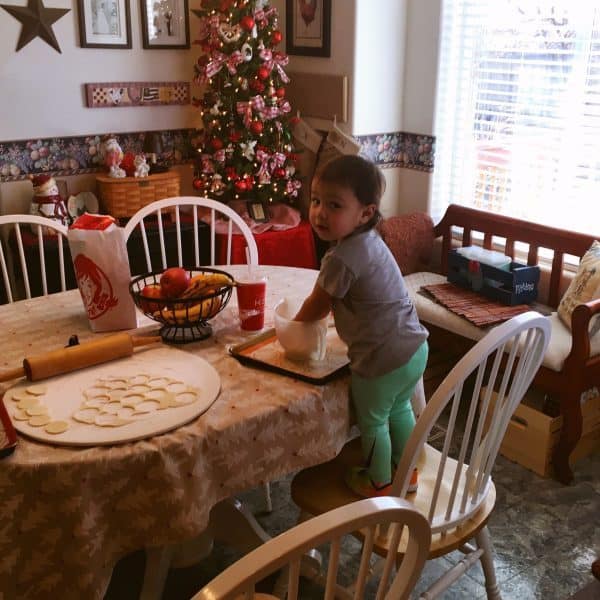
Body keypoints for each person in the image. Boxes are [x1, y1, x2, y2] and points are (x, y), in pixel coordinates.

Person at [294, 155, 429, 498]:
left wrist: (292, 329)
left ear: (366, 213)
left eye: (334, 205)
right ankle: (407, 472)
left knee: (373, 422)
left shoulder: (341, 258)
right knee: (398, 408)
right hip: (414, 347)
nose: (320, 212)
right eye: (316, 200)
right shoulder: (370, 242)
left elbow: (318, 305)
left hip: (380, 359)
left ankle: (378, 482)